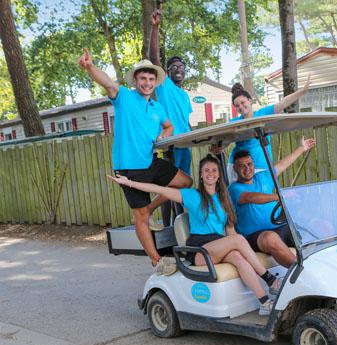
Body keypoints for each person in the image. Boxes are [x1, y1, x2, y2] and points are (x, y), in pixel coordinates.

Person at [108, 154, 282, 315]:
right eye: (206, 170)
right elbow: (159, 189)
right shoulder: (191, 195)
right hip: (199, 250)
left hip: (217, 245)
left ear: (219, 175)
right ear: (200, 175)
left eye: (214, 170)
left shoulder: (224, 199)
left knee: (238, 256)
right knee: (237, 240)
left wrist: (246, 251)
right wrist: (129, 183)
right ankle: (270, 280)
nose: (210, 174)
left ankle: (264, 303)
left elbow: (230, 231)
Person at [78, 48, 192, 268]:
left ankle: (151, 209)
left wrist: (164, 135)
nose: (147, 83)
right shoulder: (125, 98)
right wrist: (91, 67)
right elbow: (108, 83)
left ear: (155, 81)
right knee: (139, 215)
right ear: (136, 80)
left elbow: (169, 126)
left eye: (151, 79)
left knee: (186, 182)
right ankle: (157, 260)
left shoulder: (157, 107)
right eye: (143, 78)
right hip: (128, 168)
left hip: (150, 162)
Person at [229, 137, 316, 267]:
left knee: (319, 227)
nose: (247, 168)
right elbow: (251, 197)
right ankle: (301, 273)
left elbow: (282, 165)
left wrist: (301, 148)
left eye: (249, 164)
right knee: (271, 238)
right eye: (241, 166)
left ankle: (322, 266)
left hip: (280, 227)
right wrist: (280, 197)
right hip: (255, 236)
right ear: (235, 169)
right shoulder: (234, 188)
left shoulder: (263, 177)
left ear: (253, 164)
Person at [149, 7, 193, 227]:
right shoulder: (164, 86)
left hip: (187, 144)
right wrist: (155, 28)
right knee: (171, 185)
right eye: (173, 67)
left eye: (181, 66)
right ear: (166, 72)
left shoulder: (184, 96)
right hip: (173, 144)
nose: (178, 69)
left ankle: (183, 225)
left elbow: (187, 122)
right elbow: (154, 58)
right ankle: (167, 226)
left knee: (185, 186)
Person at [227, 75, 312, 174]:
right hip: (238, 168)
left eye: (242, 102)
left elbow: (282, 103)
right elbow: (225, 140)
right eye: (237, 106)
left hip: (262, 166)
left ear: (250, 100)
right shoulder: (234, 122)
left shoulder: (262, 114)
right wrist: (219, 148)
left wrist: (302, 91)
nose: (240, 107)